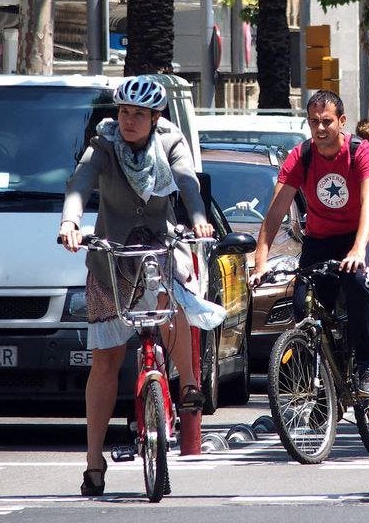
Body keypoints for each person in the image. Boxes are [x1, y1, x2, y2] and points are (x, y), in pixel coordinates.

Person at [58, 76, 222, 497]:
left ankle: (188, 386)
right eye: (124, 112)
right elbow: (79, 183)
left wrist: (198, 217)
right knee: (106, 362)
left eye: (139, 115)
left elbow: (187, 182)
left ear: (156, 118)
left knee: (176, 300)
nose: (128, 121)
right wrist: (70, 223)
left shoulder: (171, 142)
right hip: (111, 257)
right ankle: (94, 463)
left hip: (157, 250)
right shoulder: (103, 144)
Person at [249, 90, 369, 397]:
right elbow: (275, 212)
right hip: (321, 238)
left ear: (341, 121)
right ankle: (321, 388)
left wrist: (357, 248)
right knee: (305, 304)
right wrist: (260, 261)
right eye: (314, 122)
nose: (320, 128)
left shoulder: (361, 152)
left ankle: (367, 367)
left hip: (367, 231)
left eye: (327, 121)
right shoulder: (301, 156)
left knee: (358, 279)